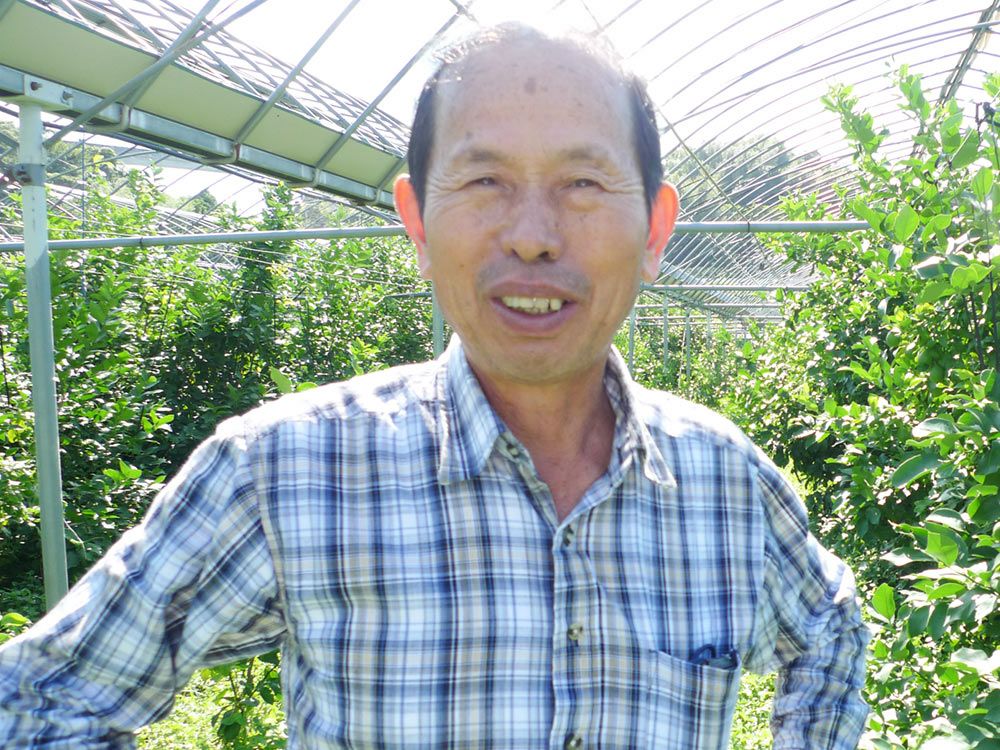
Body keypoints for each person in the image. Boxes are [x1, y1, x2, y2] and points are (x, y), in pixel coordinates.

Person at [0, 23, 868, 749]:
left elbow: (829, 625)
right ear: (417, 222)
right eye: (486, 181)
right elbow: (41, 702)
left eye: (583, 183)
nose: (533, 235)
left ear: (654, 229)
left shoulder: (726, 482)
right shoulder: (283, 473)